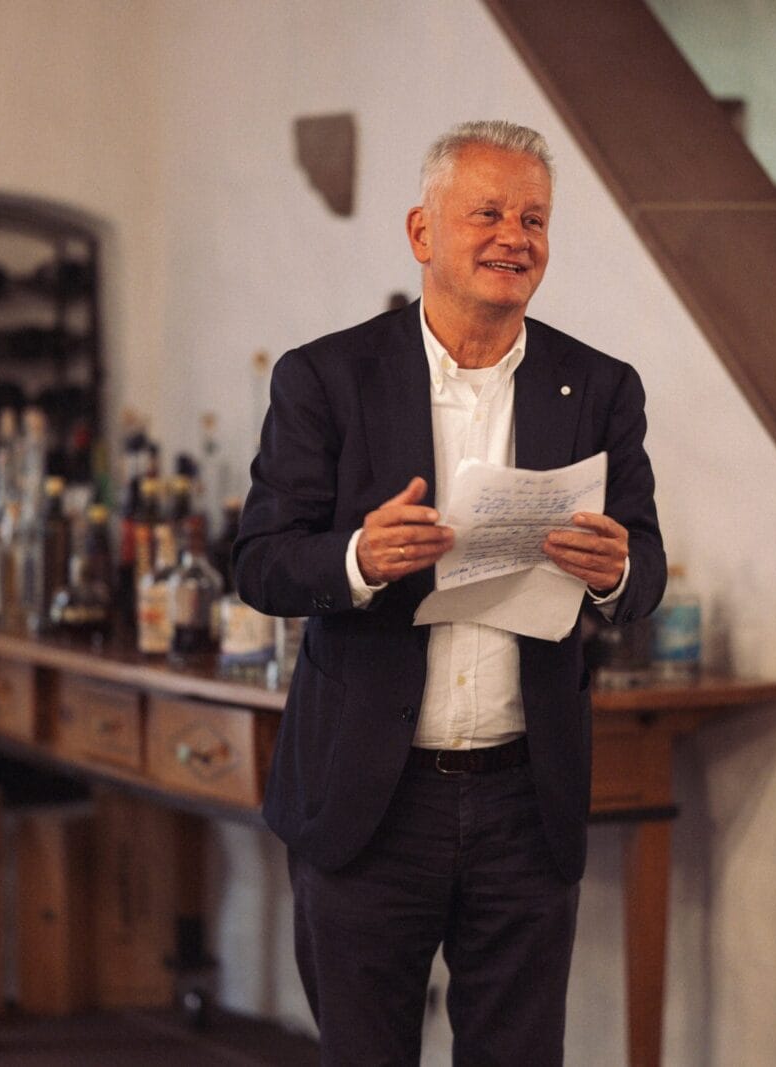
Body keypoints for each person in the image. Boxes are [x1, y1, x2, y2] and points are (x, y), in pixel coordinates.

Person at [233, 120, 666, 1066]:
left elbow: (646, 566)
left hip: (525, 799)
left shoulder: (599, 387)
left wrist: (616, 570)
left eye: (534, 219)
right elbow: (260, 560)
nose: (516, 237)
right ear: (422, 231)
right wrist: (358, 556)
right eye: (489, 214)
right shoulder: (326, 378)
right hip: (369, 802)